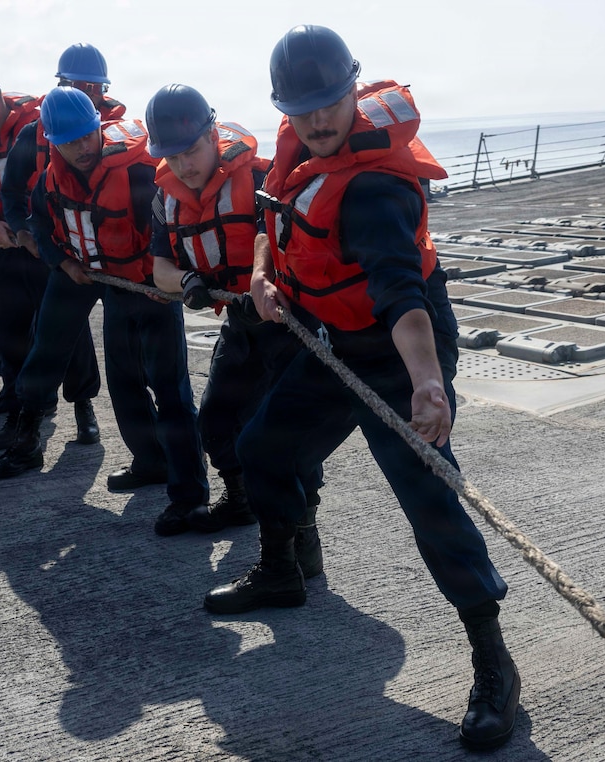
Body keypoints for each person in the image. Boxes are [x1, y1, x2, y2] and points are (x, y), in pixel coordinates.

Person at [202, 26, 520, 751]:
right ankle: (288, 567)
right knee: (264, 450)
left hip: (399, 347)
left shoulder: (374, 189)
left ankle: (493, 659)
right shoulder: (294, 151)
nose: (318, 120)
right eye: (303, 106)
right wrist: (259, 275)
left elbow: (402, 296)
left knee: (429, 494)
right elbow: (267, 216)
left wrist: (428, 385)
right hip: (328, 338)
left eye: (330, 102)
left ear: (355, 88)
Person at [0, 86, 208, 535]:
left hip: (151, 293)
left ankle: (190, 496)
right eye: (69, 141)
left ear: (99, 128)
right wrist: (63, 262)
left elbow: (169, 226)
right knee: (124, 382)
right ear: (50, 141)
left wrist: (166, 280)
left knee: (170, 392)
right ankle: (149, 461)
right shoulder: (51, 180)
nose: (82, 147)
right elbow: (41, 224)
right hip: (110, 290)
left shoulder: (135, 173)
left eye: (87, 136)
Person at [145, 83, 325, 550]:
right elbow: (160, 267)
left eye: (193, 150)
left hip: (288, 324)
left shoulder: (263, 176)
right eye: (174, 156)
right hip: (241, 323)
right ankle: (240, 497)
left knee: (286, 432)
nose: (185, 165)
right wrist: (186, 282)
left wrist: (263, 283)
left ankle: (301, 536)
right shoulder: (164, 198)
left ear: (213, 135)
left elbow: (299, 245)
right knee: (216, 419)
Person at [0, 60, 100, 448]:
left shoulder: (42, 129)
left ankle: (84, 407)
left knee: (70, 332)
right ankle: (19, 411)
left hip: (56, 248)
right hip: (5, 251)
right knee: (7, 331)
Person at [0, 42, 123, 448]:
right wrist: (25, 233)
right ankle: (26, 422)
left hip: (118, 263)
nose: (87, 94)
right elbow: (13, 195)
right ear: (61, 85)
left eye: (94, 88)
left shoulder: (118, 139)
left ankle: (86, 409)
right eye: (77, 85)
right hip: (55, 252)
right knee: (47, 337)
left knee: (123, 356)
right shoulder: (33, 137)